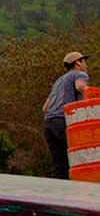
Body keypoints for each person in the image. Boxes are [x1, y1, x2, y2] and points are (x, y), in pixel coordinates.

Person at [42, 51, 90, 179]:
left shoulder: (58, 81)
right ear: (77, 63)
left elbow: (45, 108)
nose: (86, 65)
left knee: (59, 166)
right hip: (64, 121)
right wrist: (93, 94)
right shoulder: (80, 74)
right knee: (82, 158)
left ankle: (58, 197)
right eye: (84, 61)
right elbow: (80, 86)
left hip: (49, 125)